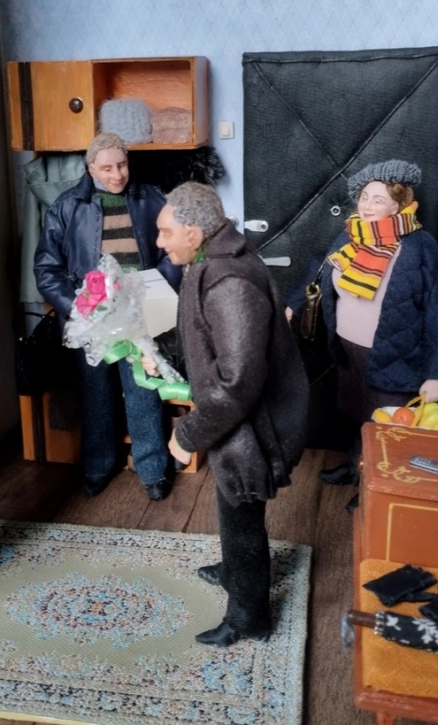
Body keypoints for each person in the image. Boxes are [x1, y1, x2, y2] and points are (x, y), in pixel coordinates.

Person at [146, 181, 309, 647]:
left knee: (241, 514)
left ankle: (248, 616)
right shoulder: (211, 258)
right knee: (230, 502)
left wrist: (187, 434)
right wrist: (164, 354)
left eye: (165, 232)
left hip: (256, 426)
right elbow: (203, 333)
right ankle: (233, 570)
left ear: (194, 233)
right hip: (237, 420)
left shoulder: (230, 282)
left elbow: (238, 382)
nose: (159, 241)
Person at [286, 160, 438, 510]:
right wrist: (293, 304)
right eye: (364, 197)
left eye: (377, 200)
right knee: (355, 411)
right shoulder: (352, 233)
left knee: (387, 425)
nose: (366, 206)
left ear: (398, 205)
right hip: (349, 349)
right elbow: (320, 264)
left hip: (394, 353)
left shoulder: (420, 247)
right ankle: (357, 467)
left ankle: (376, 487)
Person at [34, 132, 181, 500]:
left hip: (139, 311)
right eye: (106, 168)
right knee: (95, 393)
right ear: (90, 169)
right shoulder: (67, 206)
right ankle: (99, 466)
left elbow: (173, 252)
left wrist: (154, 287)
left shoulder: (151, 198)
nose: (117, 174)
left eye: (122, 165)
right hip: (91, 317)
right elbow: (47, 269)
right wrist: (78, 306)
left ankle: (152, 469)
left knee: (143, 390)